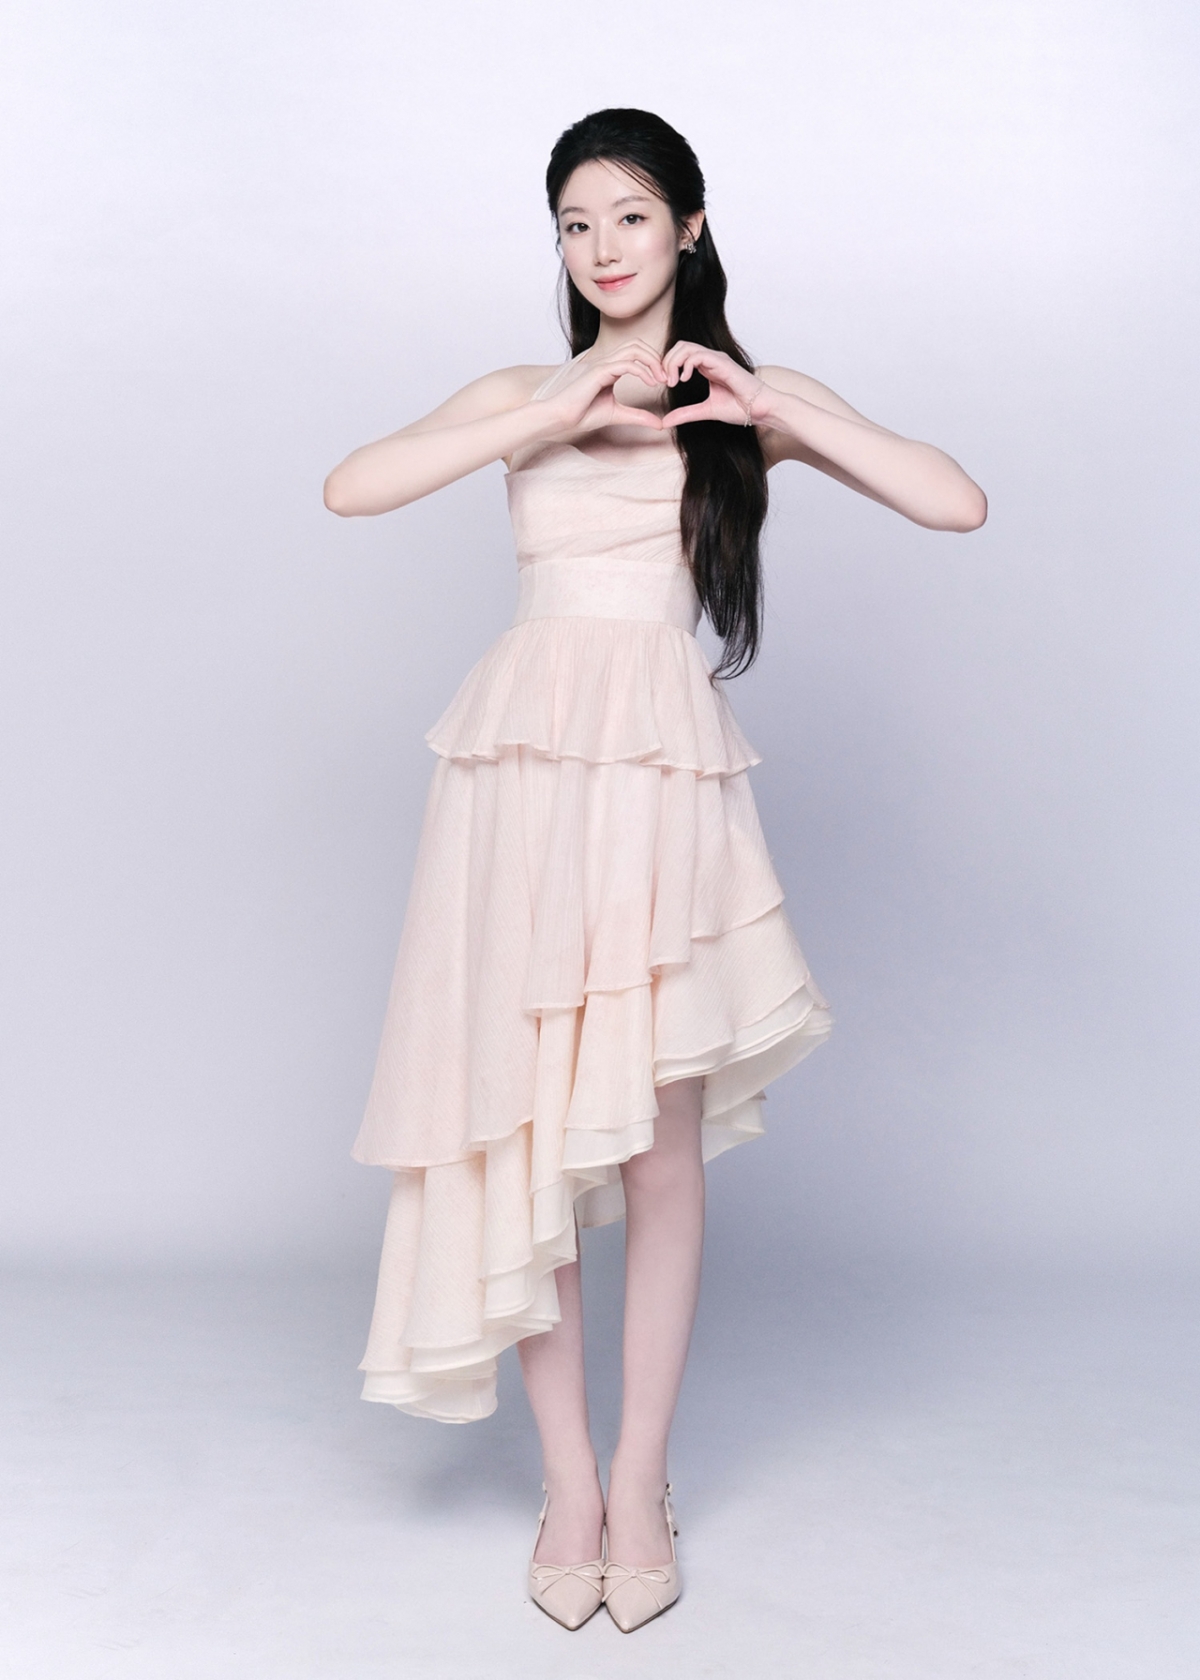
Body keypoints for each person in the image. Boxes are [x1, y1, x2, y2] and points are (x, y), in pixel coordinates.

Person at [323, 107, 986, 1633]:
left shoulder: (741, 401)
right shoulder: (525, 393)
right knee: (529, 1127)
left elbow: (955, 500)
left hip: (658, 784)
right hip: (521, 779)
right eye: (575, 223)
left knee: (657, 1145)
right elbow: (353, 485)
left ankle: (640, 1478)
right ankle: (567, 1485)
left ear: (690, 224)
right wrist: (552, 408)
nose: (601, 248)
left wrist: (773, 409)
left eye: (629, 215)